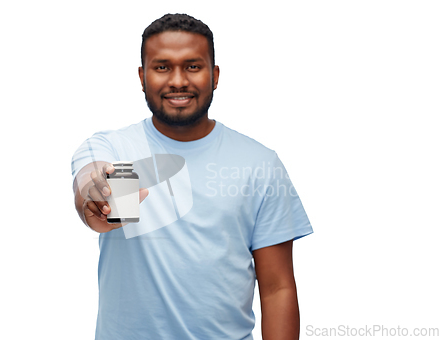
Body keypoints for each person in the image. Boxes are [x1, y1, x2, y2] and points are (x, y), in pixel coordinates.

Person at [72, 13, 313, 340]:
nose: (178, 81)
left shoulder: (259, 163)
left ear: (214, 76)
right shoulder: (112, 148)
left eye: (192, 66)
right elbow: (92, 190)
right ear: (142, 77)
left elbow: (277, 287)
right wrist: (96, 195)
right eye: (162, 67)